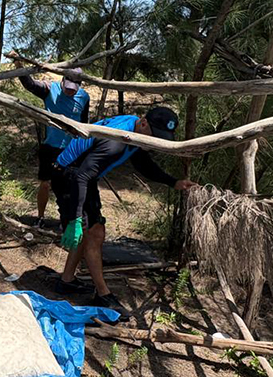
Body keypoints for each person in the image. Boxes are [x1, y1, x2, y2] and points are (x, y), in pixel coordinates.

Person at [51, 107, 196, 315]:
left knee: (94, 231)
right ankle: (103, 294)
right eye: (155, 135)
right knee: (92, 233)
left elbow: (143, 163)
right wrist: (74, 219)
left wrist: (174, 182)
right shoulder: (115, 143)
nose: (154, 141)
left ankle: (66, 281)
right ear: (144, 123)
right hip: (69, 177)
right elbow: (81, 176)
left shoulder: (135, 130)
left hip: (84, 177)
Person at [17, 66, 90, 227]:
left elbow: (84, 123)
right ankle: (40, 217)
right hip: (50, 147)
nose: (70, 91)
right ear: (62, 80)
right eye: (67, 88)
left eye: (73, 89)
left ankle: (65, 219)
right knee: (45, 183)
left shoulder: (84, 97)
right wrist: (19, 65)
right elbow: (29, 84)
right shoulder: (50, 89)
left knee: (69, 186)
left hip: (72, 149)